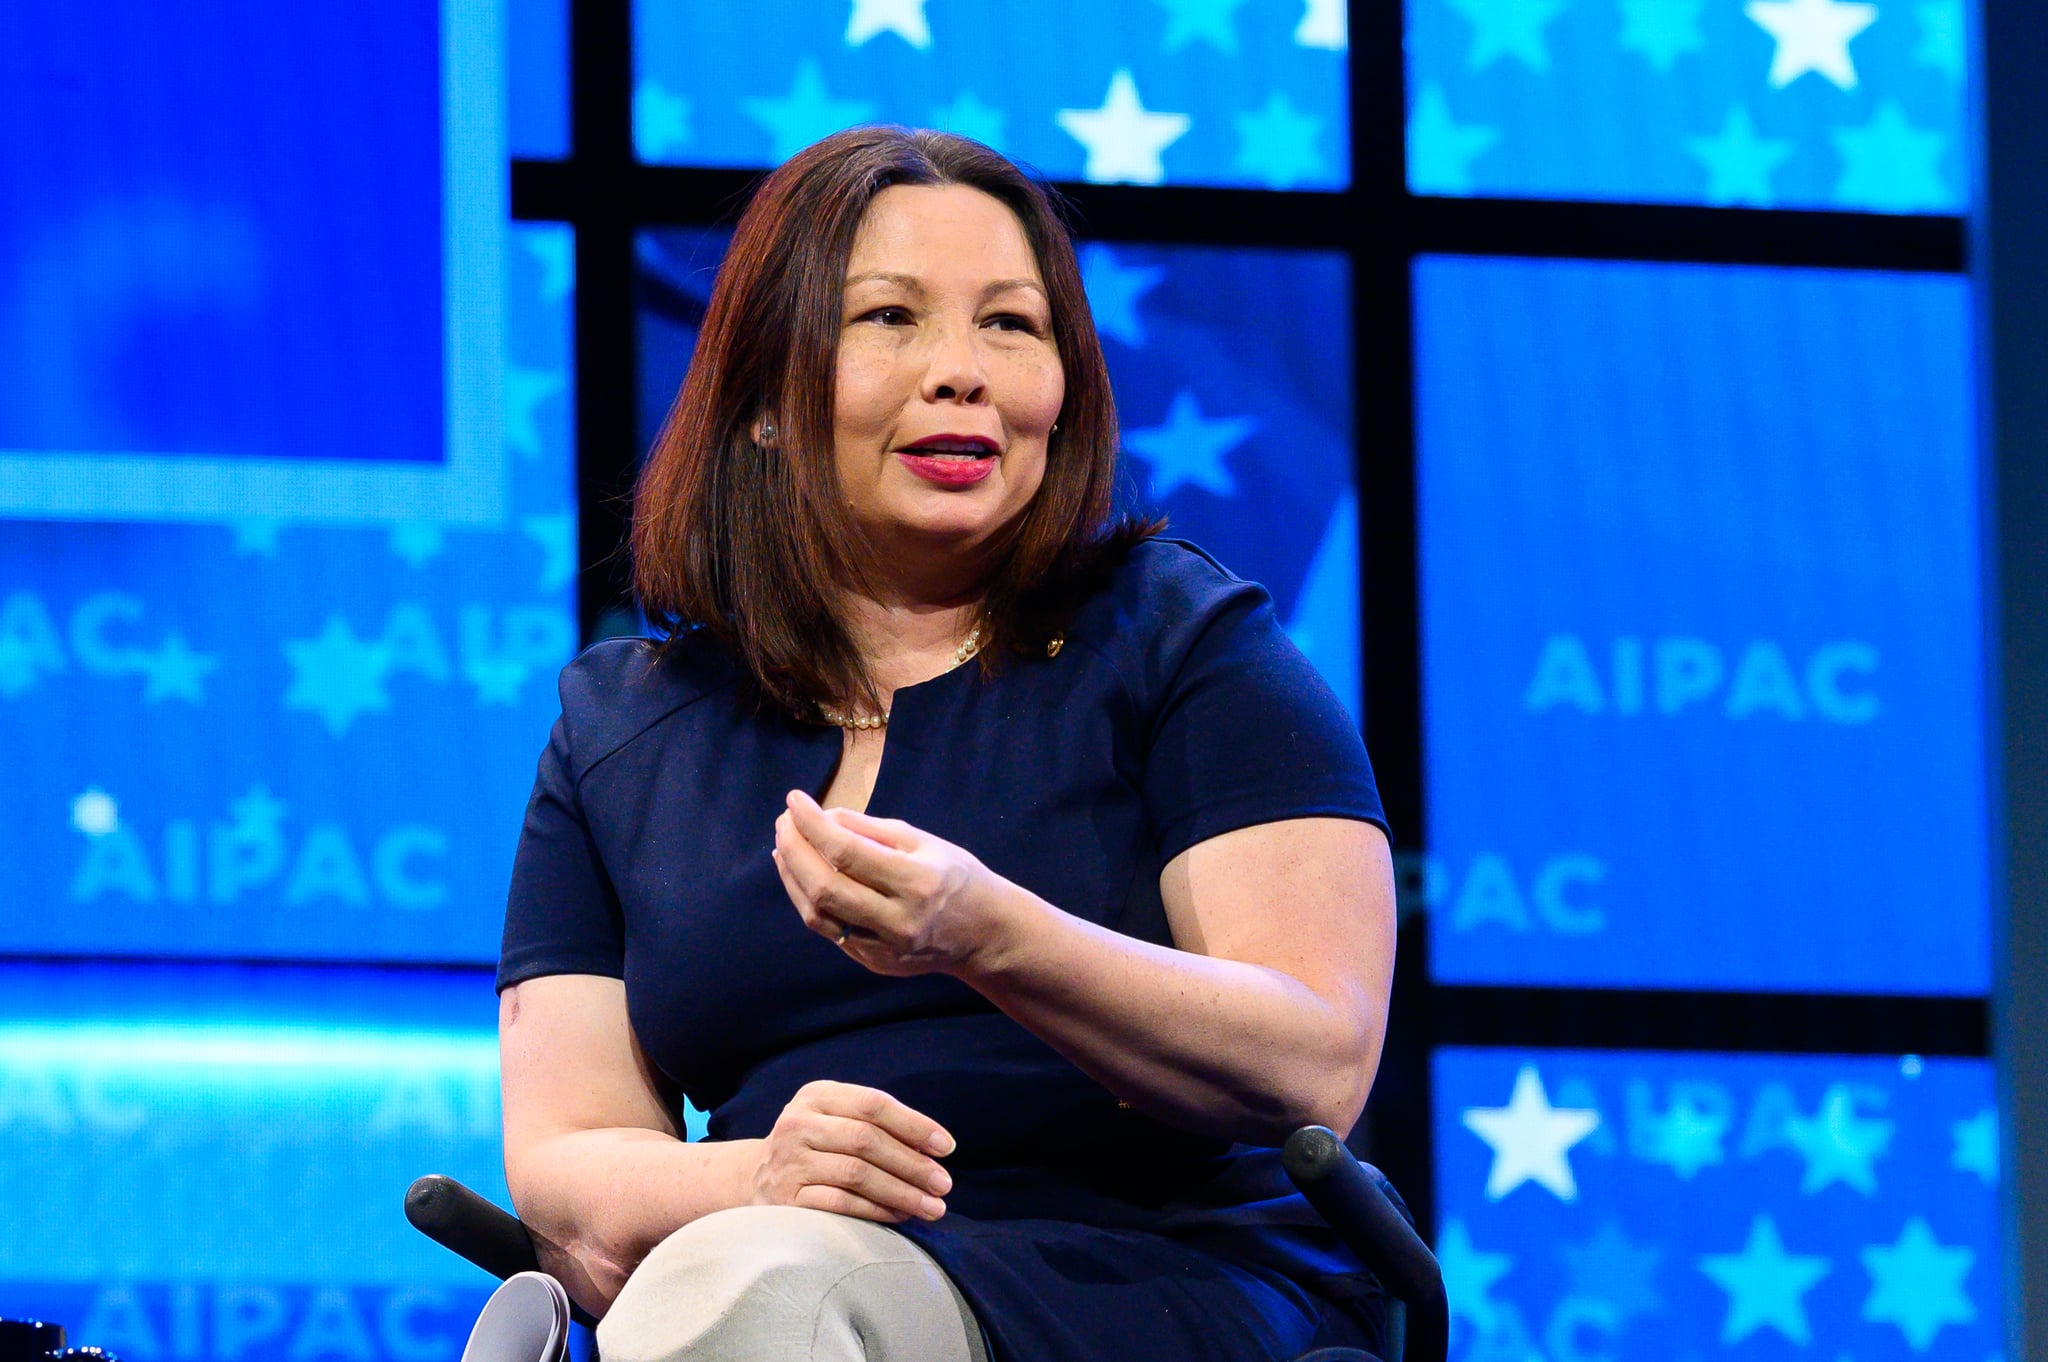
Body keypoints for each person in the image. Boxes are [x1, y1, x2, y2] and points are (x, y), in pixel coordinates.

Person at [495, 125, 1398, 1362]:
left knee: (761, 1299)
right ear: (762, 398)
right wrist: (756, 1177)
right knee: (745, 1285)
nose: (961, 373)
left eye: (1010, 326)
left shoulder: (1180, 643)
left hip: (1163, 1277)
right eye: (890, 319)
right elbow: (565, 1154)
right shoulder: (623, 729)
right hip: (785, 1252)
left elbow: (1316, 1061)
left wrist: (989, 935)